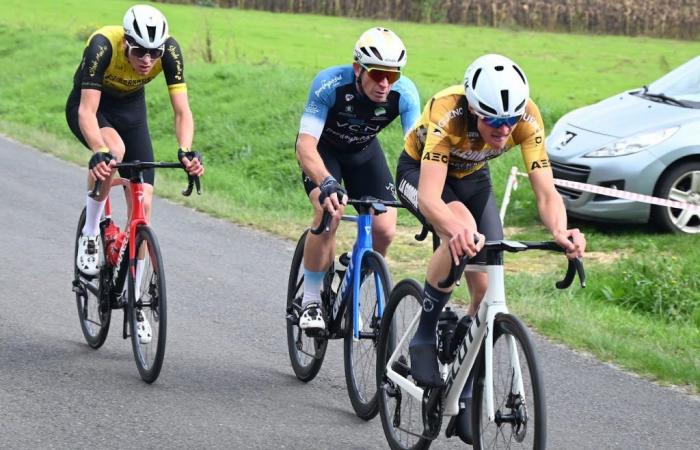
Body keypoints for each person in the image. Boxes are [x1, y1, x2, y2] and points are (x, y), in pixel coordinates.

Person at [395, 54, 586, 443]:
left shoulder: (527, 118)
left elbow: (545, 191)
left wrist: (563, 231)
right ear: (474, 108)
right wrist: (453, 231)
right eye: (493, 121)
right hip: (421, 173)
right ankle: (425, 335)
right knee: (461, 227)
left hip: (473, 176)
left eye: (510, 120)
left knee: (485, 292)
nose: (504, 130)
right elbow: (431, 198)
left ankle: (464, 389)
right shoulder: (448, 112)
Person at [295, 27, 421, 330]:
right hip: (324, 153)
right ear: (357, 69)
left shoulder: (405, 94)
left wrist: (426, 200)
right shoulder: (330, 84)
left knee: (386, 229)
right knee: (329, 212)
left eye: (393, 75)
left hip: (364, 154)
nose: (385, 84)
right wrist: (325, 182)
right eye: (378, 74)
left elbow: (418, 155)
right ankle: (311, 300)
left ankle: (354, 273)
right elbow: (305, 145)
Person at [68, 4, 203, 279]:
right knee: (114, 152)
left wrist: (186, 150)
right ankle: (91, 233)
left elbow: (182, 111)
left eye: (155, 52)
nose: (147, 59)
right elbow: (86, 111)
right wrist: (99, 150)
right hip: (94, 105)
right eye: (140, 50)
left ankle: (136, 295)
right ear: (126, 41)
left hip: (131, 110)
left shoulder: (170, 52)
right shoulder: (103, 45)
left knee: (145, 200)